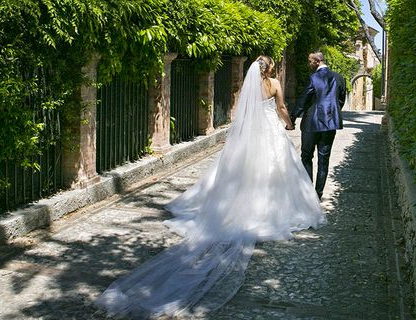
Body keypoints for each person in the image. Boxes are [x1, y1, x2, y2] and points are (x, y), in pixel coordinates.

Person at [95, 56, 325, 318]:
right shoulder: (273, 83)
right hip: (271, 132)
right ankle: (269, 210)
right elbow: (281, 107)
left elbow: (244, 113)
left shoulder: (250, 86)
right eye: (272, 65)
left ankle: (244, 204)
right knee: (276, 169)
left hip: (252, 135)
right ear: (270, 68)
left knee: (246, 171)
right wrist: (288, 123)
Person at [290, 51, 346, 200]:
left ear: (317, 61)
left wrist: (293, 116)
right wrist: (332, 113)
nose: (309, 64)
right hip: (330, 124)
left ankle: (308, 194)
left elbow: (304, 99)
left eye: (310, 61)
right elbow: (341, 100)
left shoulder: (314, 78)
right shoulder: (339, 77)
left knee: (307, 156)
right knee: (324, 159)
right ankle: (318, 194)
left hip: (311, 123)